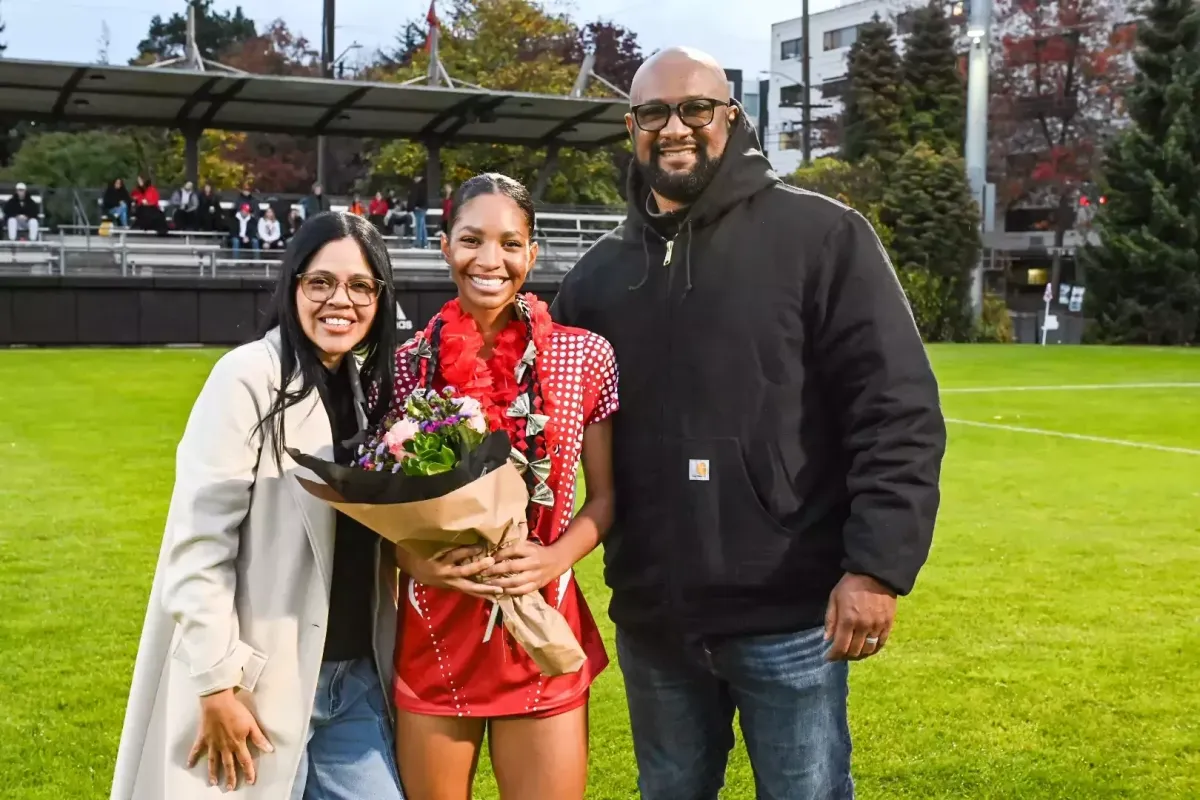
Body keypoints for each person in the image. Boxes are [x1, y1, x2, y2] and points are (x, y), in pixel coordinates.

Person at [550, 47, 947, 799]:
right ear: (630, 127)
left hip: (791, 618)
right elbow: (541, 423)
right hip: (655, 621)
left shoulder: (822, 238)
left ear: (732, 117)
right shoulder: (596, 278)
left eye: (695, 109)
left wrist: (876, 567)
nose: (675, 128)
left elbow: (896, 410)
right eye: (652, 113)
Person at [109, 212, 408, 800]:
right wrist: (218, 682)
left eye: (360, 285)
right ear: (293, 284)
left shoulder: (363, 389)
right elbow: (198, 544)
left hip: (352, 679)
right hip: (260, 679)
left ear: (380, 296)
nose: (339, 300)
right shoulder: (245, 377)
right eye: (320, 282)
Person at [389, 172, 618, 800]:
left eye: (510, 243)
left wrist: (550, 557)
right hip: (437, 627)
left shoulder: (585, 357)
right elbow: (388, 504)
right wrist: (418, 564)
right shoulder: (407, 364)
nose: (491, 261)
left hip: (540, 618)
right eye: (471, 240)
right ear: (443, 246)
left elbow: (605, 500)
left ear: (532, 254)